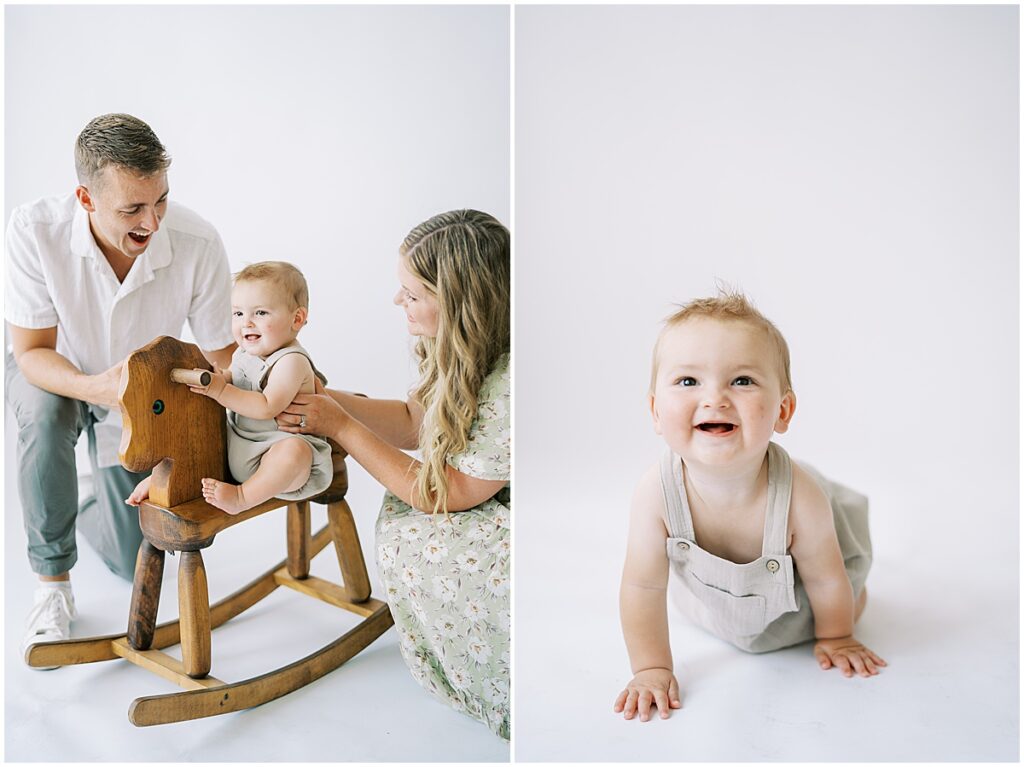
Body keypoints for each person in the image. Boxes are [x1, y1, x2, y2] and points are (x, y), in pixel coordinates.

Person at [5, 113, 235, 664]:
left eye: (161, 200)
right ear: (86, 199)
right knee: (44, 416)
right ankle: (52, 586)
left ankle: (83, 497)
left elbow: (225, 360)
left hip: (146, 397)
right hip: (58, 374)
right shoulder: (33, 230)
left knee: (131, 552)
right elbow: (30, 352)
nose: (151, 222)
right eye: (132, 209)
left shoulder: (198, 241)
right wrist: (95, 389)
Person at [277, 210, 510, 739]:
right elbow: (414, 420)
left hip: (481, 502)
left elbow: (449, 492)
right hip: (459, 487)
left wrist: (340, 425)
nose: (396, 300)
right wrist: (322, 397)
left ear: (459, 302)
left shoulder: (508, 381)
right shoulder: (457, 345)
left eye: (412, 293)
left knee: (437, 549)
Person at [614, 291, 886, 723]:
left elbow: (826, 577)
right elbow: (642, 588)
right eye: (688, 381)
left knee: (851, 599)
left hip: (798, 608)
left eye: (742, 381)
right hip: (710, 608)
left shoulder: (799, 496)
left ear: (783, 410)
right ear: (655, 411)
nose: (715, 398)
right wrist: (651, 668)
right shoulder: (655, 493)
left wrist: (837, 636)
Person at [127, 261, 332, 514]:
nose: (247, 323)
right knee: (200, 427)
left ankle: (241, 497)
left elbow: (266, 406)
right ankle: (162, 480)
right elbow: (234, 377)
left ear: (297, 319)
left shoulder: (292, 361)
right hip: (239, 443)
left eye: (260, 313)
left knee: (294, 452)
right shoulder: (244, 353)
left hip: (275, 455)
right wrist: (219, 378)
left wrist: (221, 391)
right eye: (238, 314)